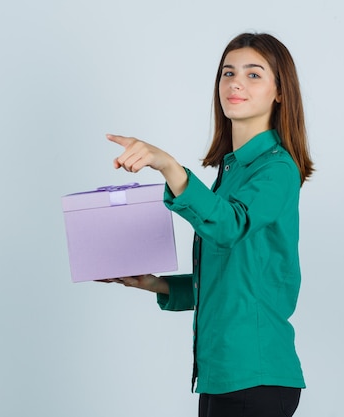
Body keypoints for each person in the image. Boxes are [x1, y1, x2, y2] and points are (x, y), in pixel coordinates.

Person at [104, 32, 314, 417]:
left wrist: (168, 165)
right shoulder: (231, 171)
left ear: (280, 91)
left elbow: (230, 225)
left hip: (257, 375)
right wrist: (157, 284)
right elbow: (230, 283)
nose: (235, 82)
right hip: (223, 376)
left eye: (254, 74)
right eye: (227, 72)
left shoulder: (277, 168)